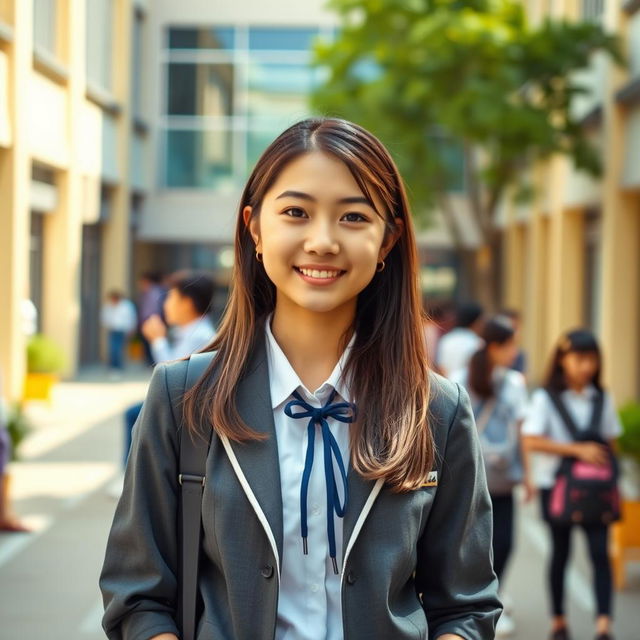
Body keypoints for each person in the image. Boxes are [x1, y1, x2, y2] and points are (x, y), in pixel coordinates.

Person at [100, 118, 501, 640]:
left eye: (354, 216)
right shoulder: (183, 396)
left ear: (388, 240)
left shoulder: (438, 409)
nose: (322, 241)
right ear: (255, 227)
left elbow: (466, 606)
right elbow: (137, 594)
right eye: (295, 212)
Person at [522, 329, 622, 640]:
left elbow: (611, 442)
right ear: (562, 359)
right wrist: (577, 450)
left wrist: (612, 477)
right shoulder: (545, 398)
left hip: (596, 489)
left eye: (591, 358)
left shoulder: (602, 397)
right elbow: (531, 440)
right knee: (560, 552)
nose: (586, 366)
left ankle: (604, 624)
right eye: (579, 358)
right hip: (555, 486)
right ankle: (559, 620)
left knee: (598, 554)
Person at [451, 315, 532, 638]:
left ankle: (493, 595)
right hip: (468, 475)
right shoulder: (461, 376)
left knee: (505, 542)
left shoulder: (513, 383)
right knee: (471, 543)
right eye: (511, 344)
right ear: (496, 346)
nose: (515, 350)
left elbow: (522, 430)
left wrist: (527, 475)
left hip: (500, 476)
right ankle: (479, 603)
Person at [121, 270, 216, 467]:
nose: (165, 305)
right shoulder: (193, 331)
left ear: (187, 302)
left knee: (134, 415)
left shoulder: (200, 336)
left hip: (184, 408)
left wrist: (157, 341)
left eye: (171, 297)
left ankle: (130, 474)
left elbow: (173, 376)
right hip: (180, 404)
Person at [437, 301, 484, 378]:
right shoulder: (478, 343)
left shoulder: (446, 339)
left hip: (448, 385)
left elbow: (441, 368)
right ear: (476, 321)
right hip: (466, 387)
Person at [101, 291, 137, 378]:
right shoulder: (108, 305)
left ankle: (118, 367)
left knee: (118, 349)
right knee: (113, 349)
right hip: (112, 330)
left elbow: (131, 318)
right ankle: (113, 367)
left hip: (122, 330)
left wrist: (131, 329)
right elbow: (104, 318)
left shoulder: (126, 305)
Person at [137, 272, 167, 366]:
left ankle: (153, 363)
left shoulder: (154, 292)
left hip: (152, 321)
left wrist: (154, 321)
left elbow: (154, 308)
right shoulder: (148, 292)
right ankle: (151, 362)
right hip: (148, 320)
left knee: (151, 343)